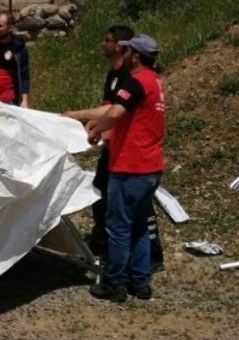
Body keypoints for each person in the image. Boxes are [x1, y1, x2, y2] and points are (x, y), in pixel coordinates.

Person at [64, 27, 165, 269]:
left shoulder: (135, 80)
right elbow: (111, 109)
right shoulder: (129, 77)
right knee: (105, 196)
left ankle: (122, 272)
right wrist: (97, 123)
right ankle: (120, 257)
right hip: (126, 153)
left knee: (126, 220)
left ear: (130, 52)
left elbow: (116, 111)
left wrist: (90, 123)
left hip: (131, 159)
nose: (103, 44)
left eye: (108, 40)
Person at [83, 35, 166, 302]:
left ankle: (114, 283)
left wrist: (96, 129)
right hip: (151, 166)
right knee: (139, 225)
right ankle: (140, 281)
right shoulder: (154, 81)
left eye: (128, 50)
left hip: (131, 166)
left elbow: (116, 112)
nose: (124, 52)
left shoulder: (136, 81)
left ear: (136, 55)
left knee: (118, 226)